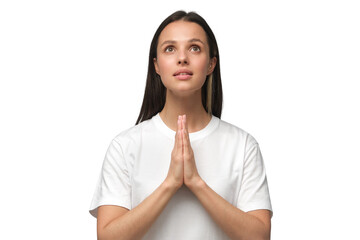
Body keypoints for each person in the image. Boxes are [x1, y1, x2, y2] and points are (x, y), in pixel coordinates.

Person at [89, 10, 272, 240]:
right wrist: (170, 184)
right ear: (156, 65)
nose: (182, 58)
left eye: (194, 48)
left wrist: (196, 182)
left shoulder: (243, 145)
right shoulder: (125, 146)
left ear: (211, 64)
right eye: (170, 49)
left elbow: (260, 236)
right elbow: (107, 237)